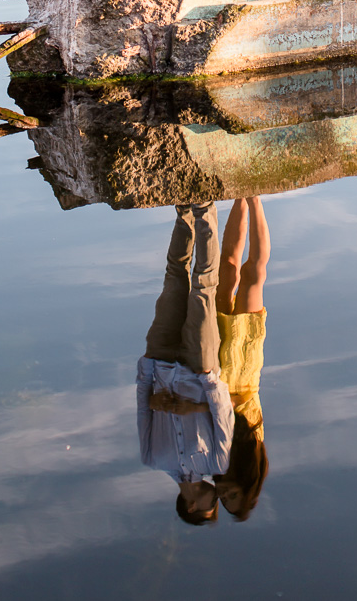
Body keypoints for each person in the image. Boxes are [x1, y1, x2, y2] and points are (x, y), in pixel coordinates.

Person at [137, 203, 234, 525]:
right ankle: (205, 207)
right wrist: (198, 401)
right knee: (204, 287)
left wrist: (148, 381)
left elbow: (143, 410)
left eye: (211, 504)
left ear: (191, 507)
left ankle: (184, 210)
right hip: (198, 367)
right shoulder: (217, 463)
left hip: (160, 362)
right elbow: (224, 414)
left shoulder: (152, 459)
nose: (214, 496)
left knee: (173, 277)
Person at [214, 197, 270, 521]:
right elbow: (242, 404)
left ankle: (238, 195)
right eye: (232, 494)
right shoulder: (254, 447)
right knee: (253, 275)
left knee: (227, 269)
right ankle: (255, 198)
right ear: (247, 485)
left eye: (224, 497)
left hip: (218, 365)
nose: (223, 492)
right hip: (245, 368)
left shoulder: (215, 456)